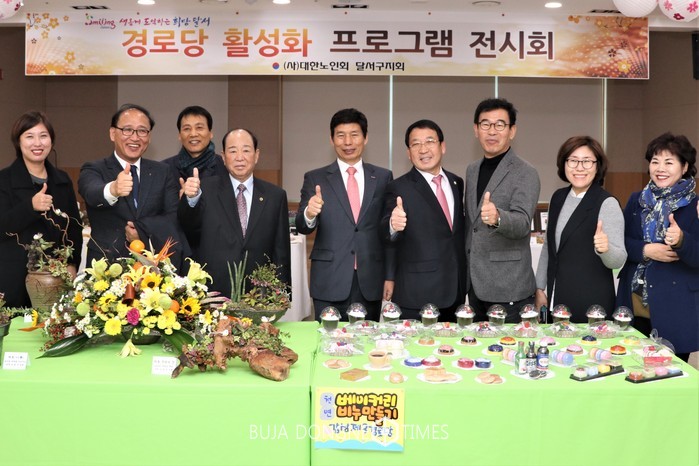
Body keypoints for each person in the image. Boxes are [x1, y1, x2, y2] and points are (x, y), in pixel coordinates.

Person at [295, 108, 393, 321]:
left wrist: (390, 276)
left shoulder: (383, 177)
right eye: (341, 135)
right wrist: (309, 213)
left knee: (367, 339)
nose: (348, 142)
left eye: (354, 134)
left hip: (370, 279)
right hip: (329, 278)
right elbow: (302, 225)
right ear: (332, 139)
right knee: (326, 339)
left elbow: (387, 231)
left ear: (365, 138)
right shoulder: (315, 178)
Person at [178, 128, 290, 298]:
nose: (239, 157)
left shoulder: (275, 196)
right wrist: (191, 199)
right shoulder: (205, 189)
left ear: (256, 155)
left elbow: (281, 251)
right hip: (214, 291)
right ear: (223, 157)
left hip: (260, 293)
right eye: (232, 151)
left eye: (246, 150)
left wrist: (282, 294)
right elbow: (187, 228)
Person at [616, 133, 698, 362]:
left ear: (684, 167)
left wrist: (682, 240)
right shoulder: (637, 200)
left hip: (675, 306)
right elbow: (621, 241)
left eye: (669, 162)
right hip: (635, 303)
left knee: (670, 372)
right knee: (629, 367)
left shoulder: (695, 206)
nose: (660, 168)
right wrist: (645, 250)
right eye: (655, 161)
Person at [78, 104, 189, 270]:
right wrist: (113, 189)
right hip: (106, 267)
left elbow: (172, 217)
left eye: (142, 131)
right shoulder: (94, 168)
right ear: (112, 133)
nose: (135, 137)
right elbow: (91, 192)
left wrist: (142, 231)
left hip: (152, 268)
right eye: (127, 130)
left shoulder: (163, 171)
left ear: (149, 137)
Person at [535, 136, 627, 322]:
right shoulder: (558, 197)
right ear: (564, 164)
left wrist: (605, 249)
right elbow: (548, 248)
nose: (579, 167)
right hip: (557, 298)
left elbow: (618, 260)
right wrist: (539, 288)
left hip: (591, 304)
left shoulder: (606, 203)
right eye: (573, 160)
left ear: (597, 166)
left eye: (587, 161)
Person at [382, 119, 466, 321]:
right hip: (417, 293)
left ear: (442, 146)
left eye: (429, 141)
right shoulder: (398, 187)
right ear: (408, 153)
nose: (423, 149)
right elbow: (384, 231)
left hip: (455, 290)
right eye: (415, 144)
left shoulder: (456, 182)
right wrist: (392, 225)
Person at [465, 98, 540, 323]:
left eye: (500, 125)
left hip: (510, 287)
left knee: (509, 346)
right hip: (475, 285)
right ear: (476, 129)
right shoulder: (472, 170)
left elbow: (523, 223)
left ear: (512, 131)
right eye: (485, 124)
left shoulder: (525, 172)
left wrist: (498, 218)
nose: (492, 131)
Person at [0, 111, 82, 307]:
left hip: (54, 280)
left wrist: (72, 263)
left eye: (43, 136)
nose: (37, 143)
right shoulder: (4, 180)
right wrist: (30, 207)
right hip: (13, 279)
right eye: (29, 136)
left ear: (51, 141)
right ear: (18, 142)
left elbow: (74, 228)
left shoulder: (62, 180)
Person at [162, 105, 226, 186]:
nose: (193, 134)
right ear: (179, 135)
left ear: (210, 133)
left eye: (199, 127)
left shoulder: (225, 166)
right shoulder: (165, 169)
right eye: (187, 129)